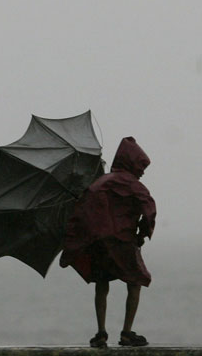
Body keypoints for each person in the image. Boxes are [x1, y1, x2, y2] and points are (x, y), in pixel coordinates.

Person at [60, 137, 156, 348]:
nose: (142, 172)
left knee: (101, 284)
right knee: (136, 281)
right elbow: (149, 210)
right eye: (141, 167)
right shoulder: (134, 185)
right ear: (133, 163)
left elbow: (82, 212)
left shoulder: (98, 183)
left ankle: (101, 332)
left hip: (98, 243)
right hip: (123, 242)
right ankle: (127, 333)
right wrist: (142, 233)